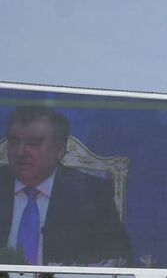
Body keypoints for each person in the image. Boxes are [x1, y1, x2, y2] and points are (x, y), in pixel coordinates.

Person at [1, 106, 131, 268]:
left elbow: (116, 255)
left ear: (60, 149)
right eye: (14, 142)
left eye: (33, 144)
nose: (20, 152)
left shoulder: (91, 193)